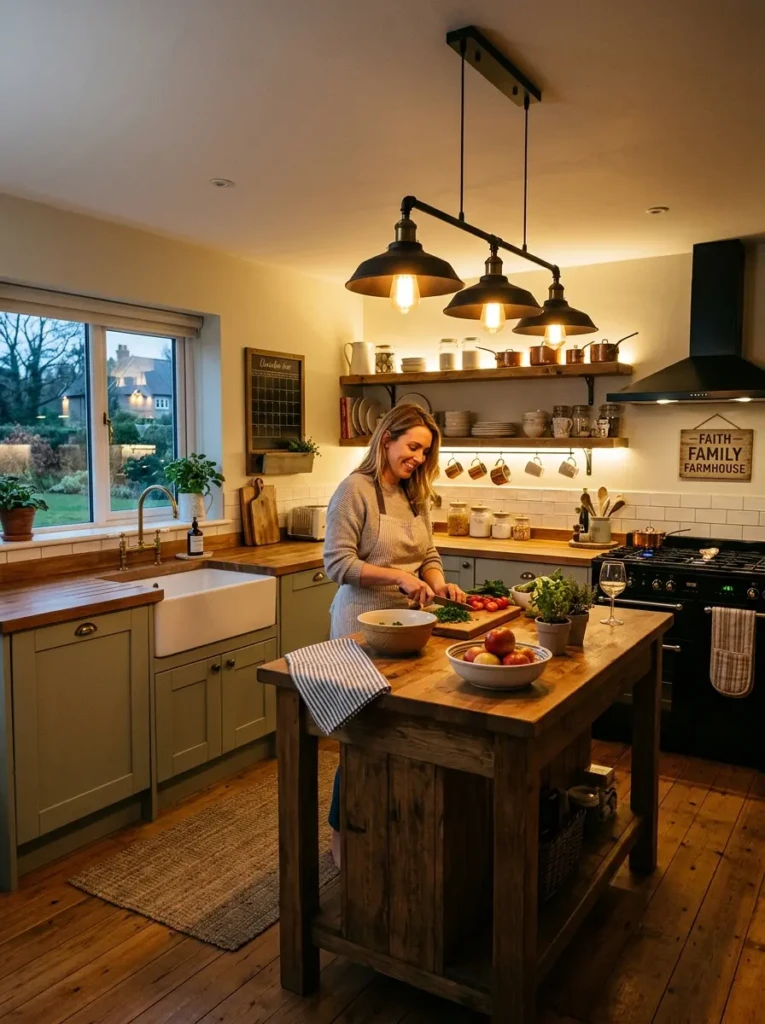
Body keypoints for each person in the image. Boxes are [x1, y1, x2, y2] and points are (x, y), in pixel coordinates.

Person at [323, 403, 467, 866]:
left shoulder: (414, 494)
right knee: (359, 740)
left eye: (425, 451)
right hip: (360, 632)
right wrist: (397, 578)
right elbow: (337, 564)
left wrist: (437, 579)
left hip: (411, 630)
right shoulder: (354, 491)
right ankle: (343, 842)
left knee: (402, 734)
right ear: (386, 439)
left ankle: (393, 837)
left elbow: (428, 551)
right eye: (413, 447)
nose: (419, 459)